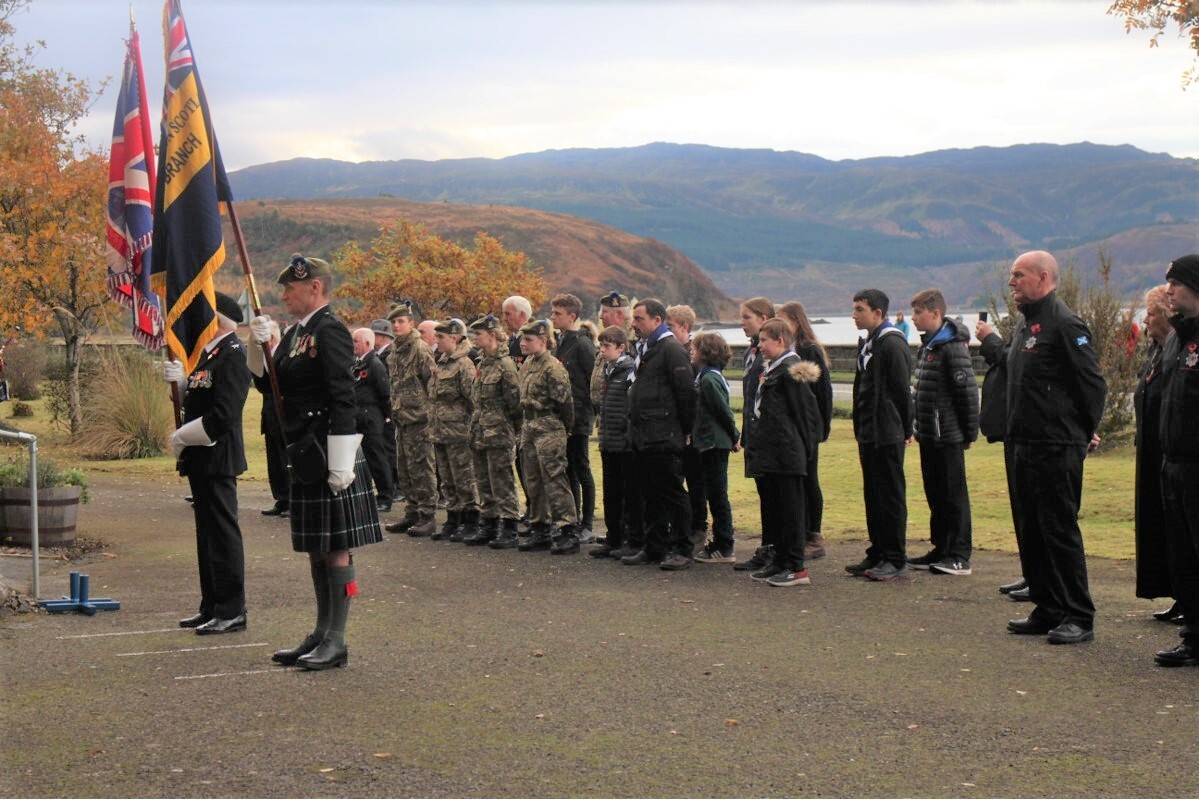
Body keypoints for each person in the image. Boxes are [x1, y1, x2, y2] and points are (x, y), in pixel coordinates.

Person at [249, 254, 382, 670]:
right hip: (307, 452)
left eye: (290, 287)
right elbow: (270, 387)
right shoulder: (295, 335)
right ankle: (322, 631)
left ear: (315, 288)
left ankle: (337, 640)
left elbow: (344, 395)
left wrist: (342, 458)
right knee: (316, 548)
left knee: (337, 547)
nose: (284, 294)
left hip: (329, 450)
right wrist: (260, 350)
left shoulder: (331, 331)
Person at [1000, 250, 1106, 645]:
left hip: (1056, 445)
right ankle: (1047, 606)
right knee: (1031, 530)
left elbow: (1092, 387)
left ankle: (1078, 614)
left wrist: (1080, 434)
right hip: (1024, 444)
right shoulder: (1026, 326)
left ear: (1043, 277)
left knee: (1059, 530)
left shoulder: (1065, 324)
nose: (1011, 283)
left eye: (1018, 276)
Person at [164, 291, 252, 635]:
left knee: (222, 534)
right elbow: (201, 398)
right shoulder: (209, 354)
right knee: (207, 535)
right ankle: (211, 605)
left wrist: (184, 436)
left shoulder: (232, 354)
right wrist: (182, 385)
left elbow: (224, 415)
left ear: (218, 321)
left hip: (218, 456)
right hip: (202, 458)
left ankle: (231, 609)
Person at [743, 318, 822, 586]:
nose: (760, 345)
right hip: (773, 451)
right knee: (777, 510)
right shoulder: (774, 369)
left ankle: (795, 566)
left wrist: (804, 451)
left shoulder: (791, 371)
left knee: (791, 511)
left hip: (787, 453)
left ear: (780, 341)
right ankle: (780, 560)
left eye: (765, 340)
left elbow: (807, 416)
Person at [907, 288, 979, 576]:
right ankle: (941, 547)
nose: (913, 318)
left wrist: (969, 433)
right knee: (935, 493)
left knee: (953, 494)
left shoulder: (952, 347)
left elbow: (967, 392)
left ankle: (960, 554)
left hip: (947, 434)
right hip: (928, 433)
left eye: (918, 312)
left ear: (935, 313)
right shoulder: (930, 346)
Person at [622, 298, 696, 570]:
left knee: (672, 493)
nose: (634, 324)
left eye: (639, 318)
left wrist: (686, 430)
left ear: (657, 320)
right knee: (650, 493)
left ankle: (682, 548)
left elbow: (686, 393)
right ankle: (654, 546)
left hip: (664, 434)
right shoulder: (649, 349)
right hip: (644, 434)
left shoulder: (671, 350)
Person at [845, 288, 914, 582]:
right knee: (872, 494)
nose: (854, 315)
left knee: (890, 494)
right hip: (870, 431)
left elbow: (902, 391)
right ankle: (878, 551)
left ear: (878, 313)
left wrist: (905, 429)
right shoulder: (869, 343)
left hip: (887, 431)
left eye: (860, 309)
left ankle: (895, 557)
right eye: (854, 309)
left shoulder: (892, 343)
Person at [1155, 254, 1199, 666]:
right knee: (1182, 556)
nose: (1168, 290)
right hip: (1174, 463)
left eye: (1175, 283)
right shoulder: (1176, 337)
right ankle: (1193, 637)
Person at [513, 319, 581, 553]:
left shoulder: (553, 367)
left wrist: (565, 427)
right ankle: (539, 526)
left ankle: (567, 528)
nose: (523, 343)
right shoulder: (528, 364)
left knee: (554, 478)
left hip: (549, 425)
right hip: (530, 426)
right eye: (523, 339)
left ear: (543, 341)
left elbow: (565, 402)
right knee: (533, 479)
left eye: (528, 339)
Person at [1135, 285, 1180, 623]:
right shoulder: (1155, 353)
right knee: (1160, 525)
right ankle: (1181, 595)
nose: (1146, 320)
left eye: (1151, 313)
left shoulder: (1179, 354)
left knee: (1178, 527)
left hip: (1172, 451)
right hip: (1151, 452)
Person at [776, 301, 833, 560]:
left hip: (809, 425)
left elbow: (823, 392)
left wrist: (821, 427)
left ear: (796, 321)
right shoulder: (788, 350)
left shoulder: (808, 350)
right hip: (795, 425)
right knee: (800, 478)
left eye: (782, 319)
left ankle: (814, 535)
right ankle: (800, 531)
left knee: (810, 479)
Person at [464, 314, 522, 547]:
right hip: (480, 431)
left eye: (478, 334)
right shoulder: (482, 363)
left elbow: (515, 403)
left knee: (502, 480)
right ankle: (489, 523)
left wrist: (513, 431)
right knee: (483, 480)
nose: (475, 338)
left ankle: (509, 527)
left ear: (492, 335)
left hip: (499, 432)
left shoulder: (505, 365)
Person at [381, 301, 438, 537]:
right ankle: (412, 512)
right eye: (393, 322)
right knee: (404, 469)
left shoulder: (420, 349)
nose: (396, 326)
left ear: (410, 323)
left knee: (422, 468)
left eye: (400, 321)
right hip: (402, 418)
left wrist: (429, 416)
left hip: (420, 419)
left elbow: (432, 385)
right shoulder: (396, 350)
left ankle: (427, 515)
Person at [733, 297, 776, 572]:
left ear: (762, 318)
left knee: (773, 495)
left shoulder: (769, 355)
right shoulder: (753, 352)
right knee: (764, 493)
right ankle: (767, 547)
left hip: (768, 438)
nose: (741, 322)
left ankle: (774, 549)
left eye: (746, 317)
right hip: (755, 435)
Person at [550, 293, 598, 540]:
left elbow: (593, 381)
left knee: (581, 467)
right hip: (563, 416)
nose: (553, 317)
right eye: (553, 312)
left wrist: (590, 414)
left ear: (572, 316)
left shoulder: (582, 344)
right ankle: (573, 518)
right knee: (568, 468)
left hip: (579, 416)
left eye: (558, 313)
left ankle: (587, 523)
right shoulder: (561, 341)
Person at [689, 331, 739, 565]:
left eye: (695, 348)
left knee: (718, 494)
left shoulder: (709, 379)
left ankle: (724, 544)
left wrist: (735, 435)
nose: (692, 351)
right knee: (714, 492)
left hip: (715, 443)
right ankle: (720, 541)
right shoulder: (705, 376)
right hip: (708, 441)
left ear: (706, 352)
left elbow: (723, 411)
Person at [589, 325, 638, 559]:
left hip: (624, 443)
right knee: (611, 492)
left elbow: (631, 408)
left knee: (627, 493)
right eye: (601, 346)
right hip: (608, 440)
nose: (602, 351)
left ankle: (627, 538)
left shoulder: (629, 371)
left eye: (607, 346)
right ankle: (614, 537)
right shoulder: (608, 371)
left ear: (621, 347)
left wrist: (627, 435)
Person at [429, 318, 479, 541]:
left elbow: (473, 399)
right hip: (440, 430)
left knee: (464, 478)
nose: (436, 341)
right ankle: (453, 519)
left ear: (455, 338)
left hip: (458, 431)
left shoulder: (464, 364)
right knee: (447, 479)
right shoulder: (442, 362)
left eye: (441, 337)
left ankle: (471, 521)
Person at [667, 303, 708, 553]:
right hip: (674, 426)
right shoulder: (669, 351)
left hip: (692, 428)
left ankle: (698, 527)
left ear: (684, 327)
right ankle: (681, 525)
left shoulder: (695, 356)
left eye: (670, 326)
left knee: (695, 479)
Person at [351, 327, 395, 512]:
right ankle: (368, 494)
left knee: (377, 458)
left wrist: (386, 416)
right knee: (363, 460)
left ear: (367, 343)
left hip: (371, 417)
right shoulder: (358, 363)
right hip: (359, 416)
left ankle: (386, 496)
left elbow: (385, 393)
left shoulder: (375, 364)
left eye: (356, 341)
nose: (353, 345)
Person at [252, 319, 289, 517]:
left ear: (272, 338)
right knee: (274, 461)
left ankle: (291, 499)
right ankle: (281, 498)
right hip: (270, 416)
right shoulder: (265, 359)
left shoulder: (283, 357)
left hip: (284, 415)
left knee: (286, 459)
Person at [370, 317, 400, 500]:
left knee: (389, 449)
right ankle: (394, 486)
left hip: (388, 409)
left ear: (380, 337)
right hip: (386, 409)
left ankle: (395, 486)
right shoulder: (383, 355)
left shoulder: (388, 356)